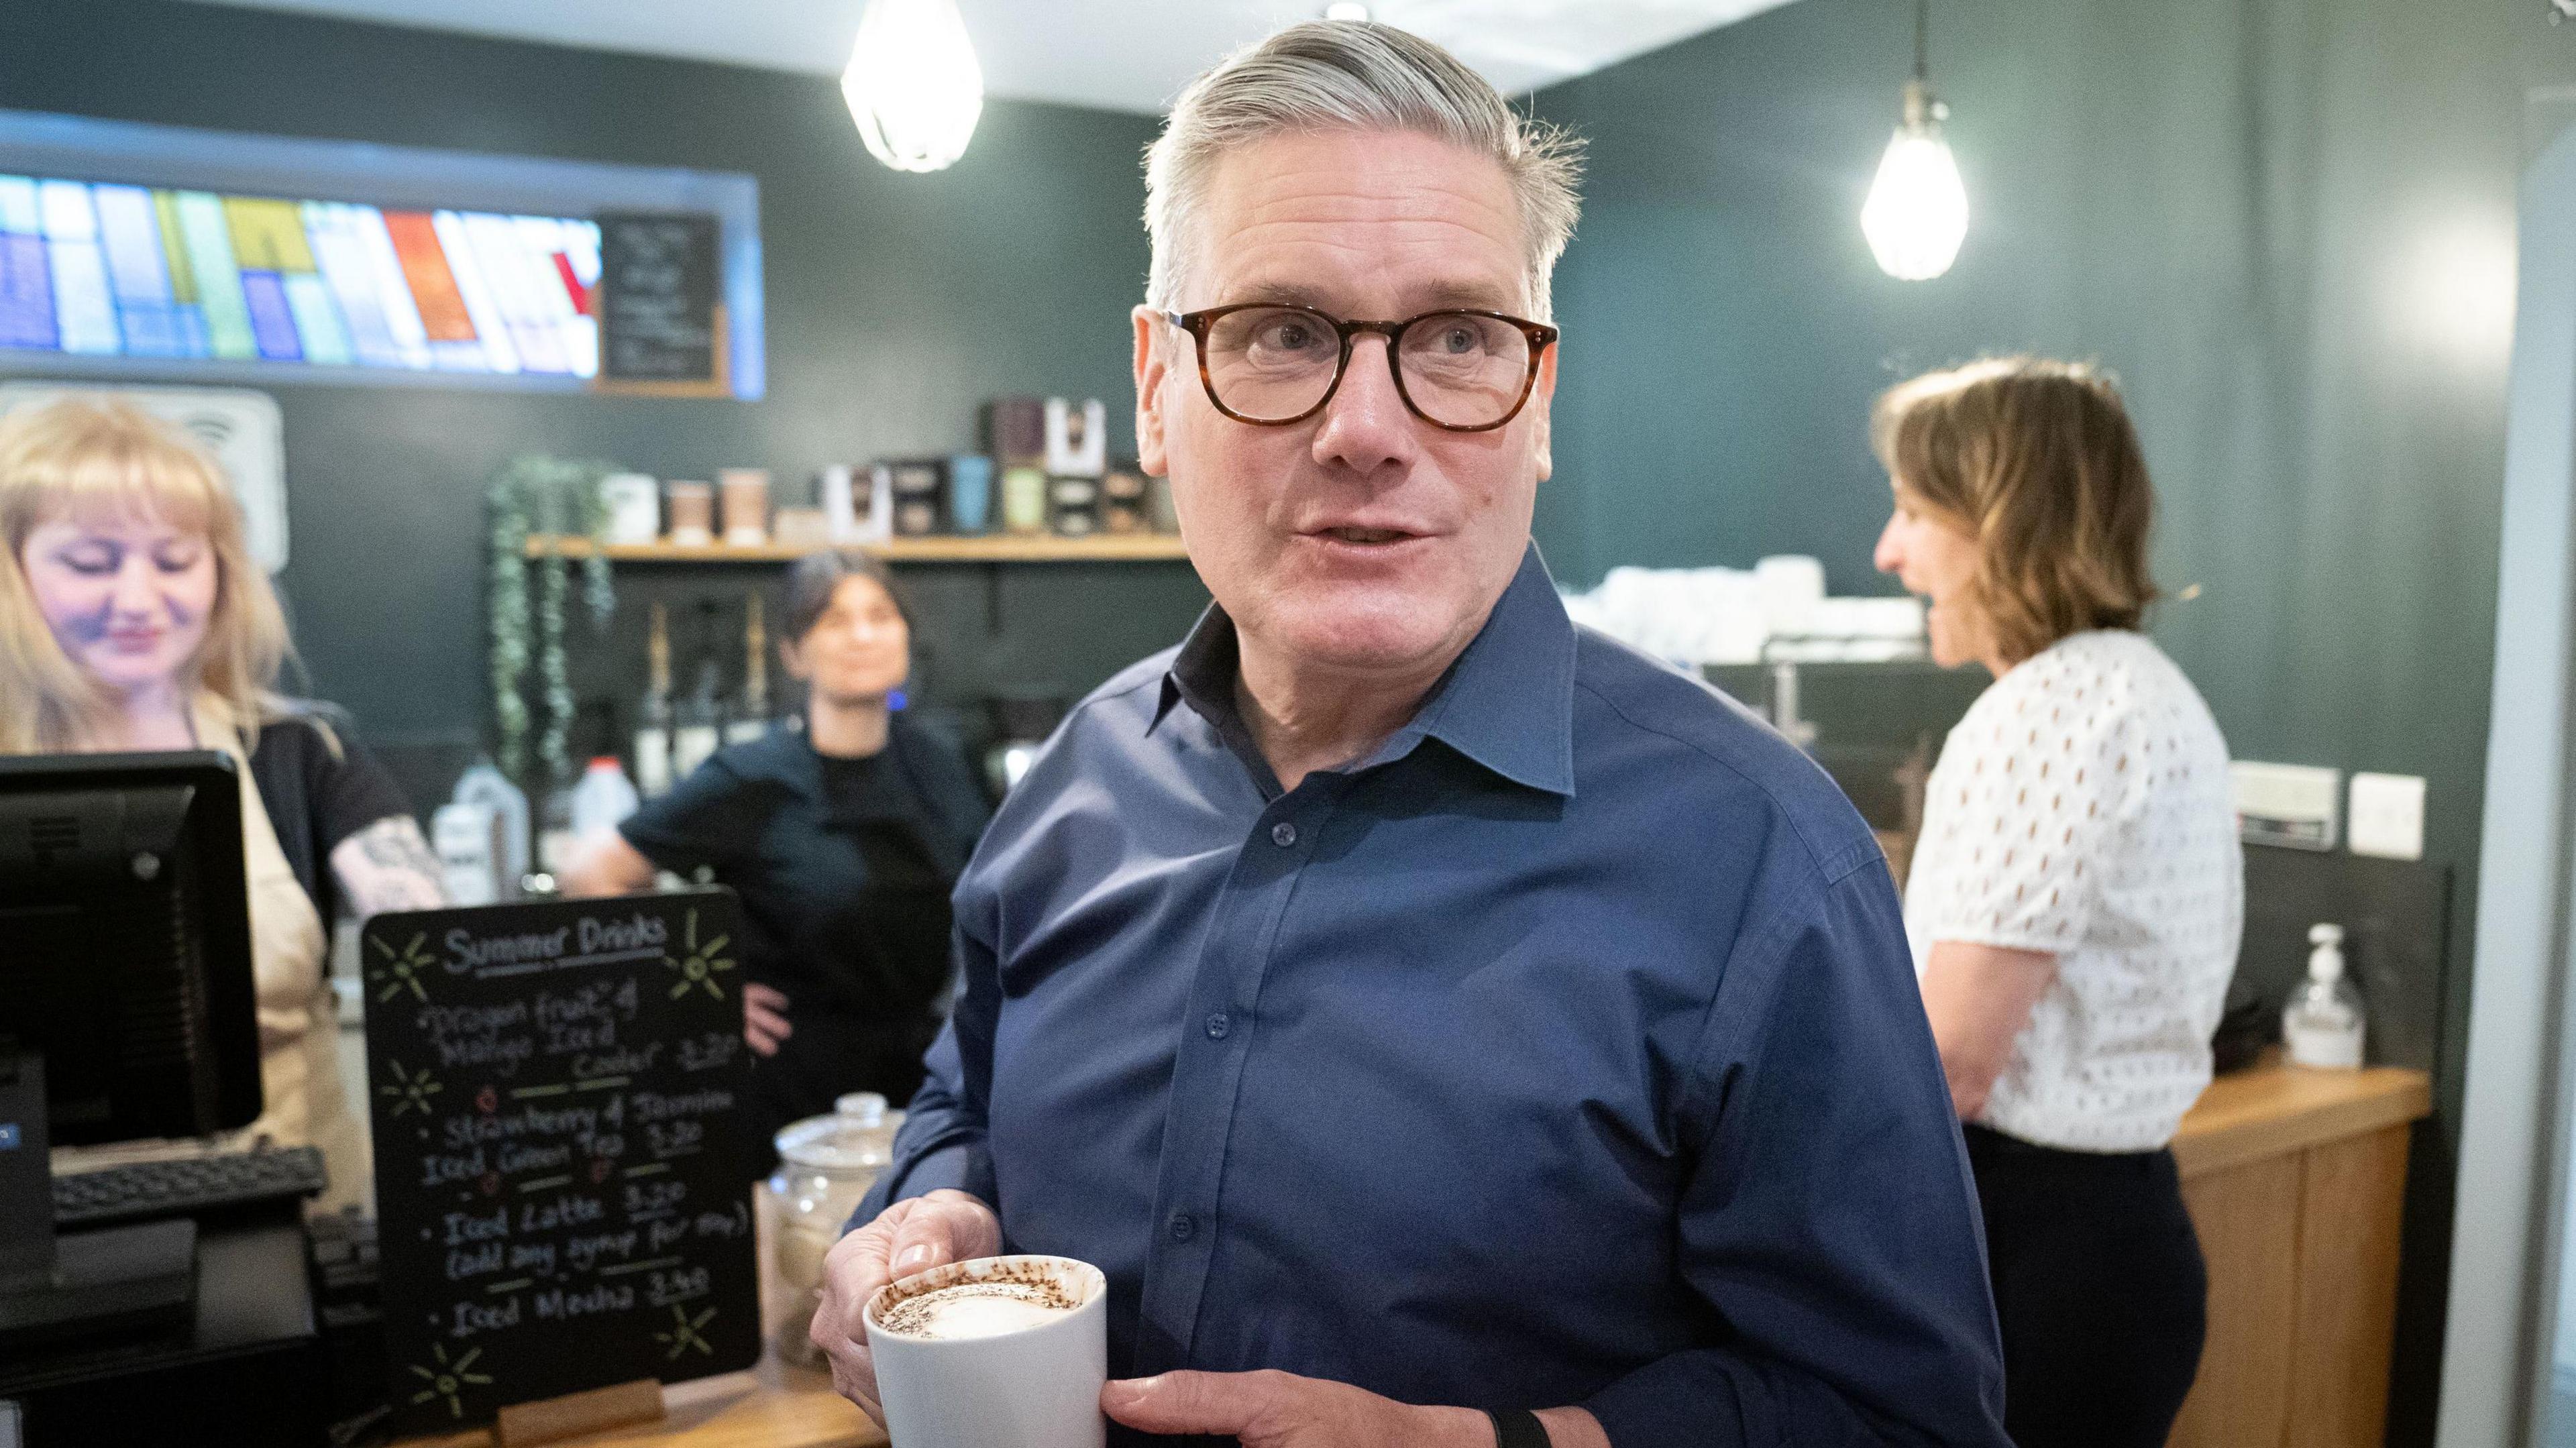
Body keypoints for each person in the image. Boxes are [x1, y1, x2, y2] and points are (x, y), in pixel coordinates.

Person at [811, 23, 2008, 1448]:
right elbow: (971, 1098)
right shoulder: (1074, 783)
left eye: (1456, 337)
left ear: (1539, 399)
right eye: (1282, 332)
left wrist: (1484, 1440)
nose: (1367, 429)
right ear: (1153, 384)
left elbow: (1901, 1414)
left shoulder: (1761, 859)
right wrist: (927, 1205)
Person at [1872, 357, 2241, 1448]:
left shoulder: (2045, 712)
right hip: (2115, 1239)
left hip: (2040, 1250)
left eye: (1910, 511)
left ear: (1998, 519)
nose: (1889, 550)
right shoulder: (2143, 687)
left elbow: (1950, 1061)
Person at [0, 395, 442, 1211]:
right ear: (15, 571)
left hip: (298, 1227)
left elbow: (433, 948)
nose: (138, 599)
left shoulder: (303, 752)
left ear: (222, 570)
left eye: (173, 560)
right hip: (41, 1251)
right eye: (92, 562)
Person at [562, 551, 990, 1171]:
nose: (863, 635)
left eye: (880, 614)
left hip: (920, 1086)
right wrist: (693, 986)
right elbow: (592, 873)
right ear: (794, 652)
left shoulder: (942, 767)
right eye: (835, 620)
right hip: (790, 1098)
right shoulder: (751, 777)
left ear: (905, 636)